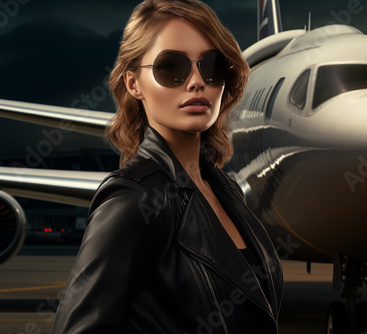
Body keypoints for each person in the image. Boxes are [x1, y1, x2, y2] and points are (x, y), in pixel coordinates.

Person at [51, 0, 283, 333]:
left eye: (212, 66)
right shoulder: (134, 198)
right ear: (133, 84)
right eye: (171, 67)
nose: (196, 82)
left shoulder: (224, 190)